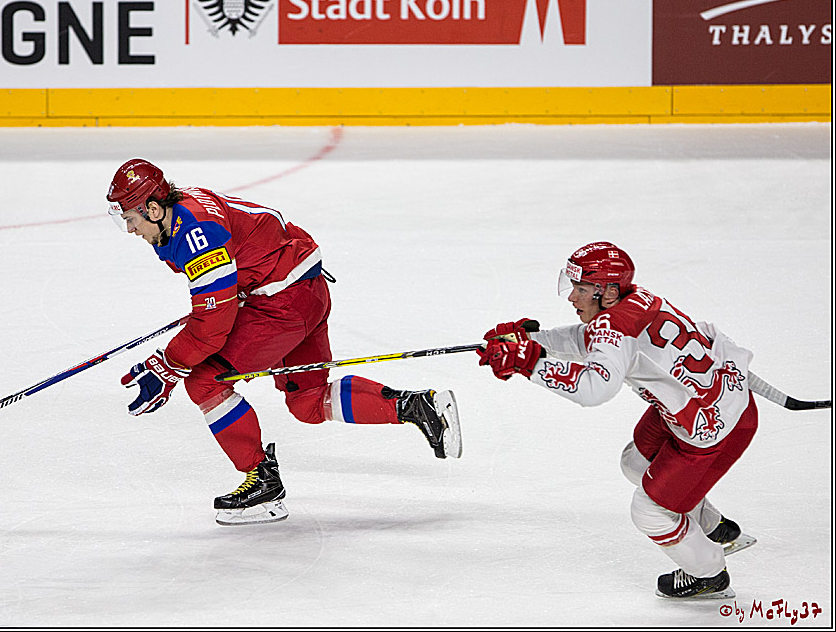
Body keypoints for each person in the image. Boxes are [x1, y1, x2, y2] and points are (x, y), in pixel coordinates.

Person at [106, 159, 462, 526]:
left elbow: (213, 326)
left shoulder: (195, 233)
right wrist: (230, 294)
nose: (131, 230)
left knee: (205, 380)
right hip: (302, 288)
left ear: (152, 208)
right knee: (308, 402)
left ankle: (262, 483)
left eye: (130, 219)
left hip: (283, 304)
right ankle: (419, 408)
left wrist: (169, 364)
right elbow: (256, 236)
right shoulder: (182, 209)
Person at [476, 241, 757, 599]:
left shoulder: (614, 328)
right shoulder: (634, 300)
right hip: (722, 404)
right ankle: (715, 527)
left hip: (709, 428)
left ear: (607, 291)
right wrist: (533, 340)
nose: (572, 298)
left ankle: (709, 573)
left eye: (580, 289)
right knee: (635, 461)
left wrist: (530, 362)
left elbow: (595, 389)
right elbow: (590, 339)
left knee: (649, 512)